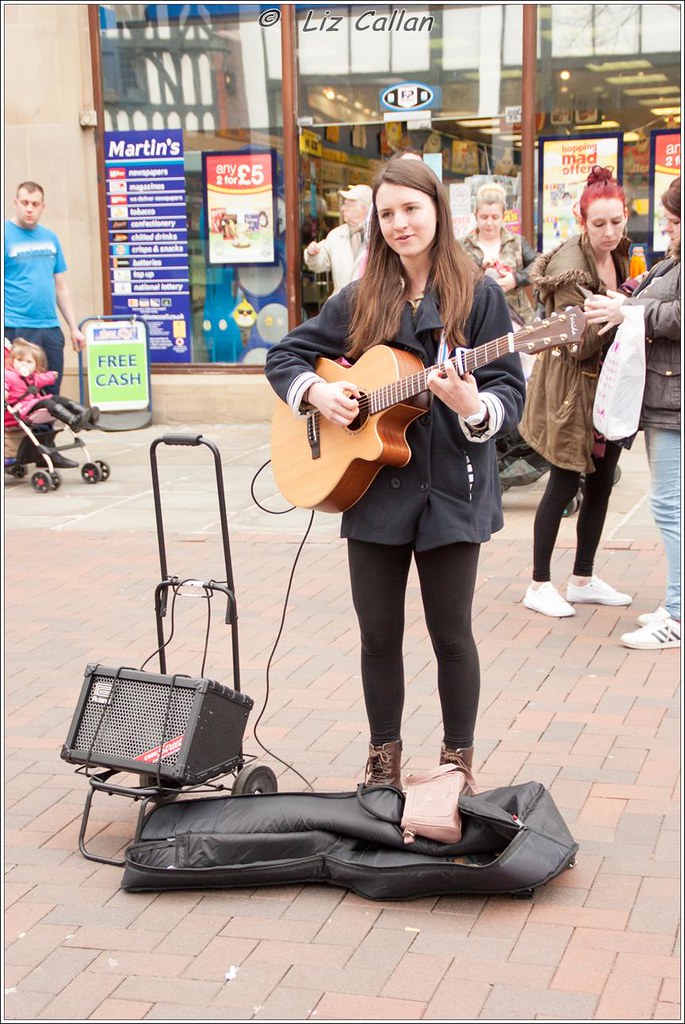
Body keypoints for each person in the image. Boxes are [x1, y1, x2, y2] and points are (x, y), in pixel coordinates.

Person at [266, 159, 526, 787]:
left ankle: (456, 761)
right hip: (375, 489)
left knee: (451, 634)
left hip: (452, 491)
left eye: (410, 208)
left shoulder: (481, 295)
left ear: (437, 208)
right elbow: (285, 355)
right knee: (377, 634)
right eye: (387, 214)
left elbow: (507, 396)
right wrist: (316, 395)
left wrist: (473, 407)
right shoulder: (360, 298)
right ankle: (384, 758)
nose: (400, 223)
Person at [519, 166, 632, 618]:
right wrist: (623, 310)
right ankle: (538, 583)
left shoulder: (621, 252)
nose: (609, 232)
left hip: (606, 388)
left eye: (616, 222)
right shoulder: (569, 268)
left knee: (601, 483)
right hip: (569, 390)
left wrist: (623, 306)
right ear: (581, 220)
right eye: (599, 223)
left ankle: (582, 578)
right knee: (564, 483)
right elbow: (579, 341)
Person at [584, 176, 681, 650]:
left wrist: (632, 313)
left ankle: (679, 614)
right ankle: (676, 603)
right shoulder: (672, 261)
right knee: (670, 506)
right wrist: (630, 305)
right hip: (665, 396)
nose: (666, 229)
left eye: (672, 221)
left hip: (673, 400)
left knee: (669, 507)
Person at [4, 181, 86, 394]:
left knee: (51, 389)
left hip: (49, 327)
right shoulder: (5, 234)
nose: (29, 208)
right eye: (24, 202)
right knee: (22, 392)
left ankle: (48, 427)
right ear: (15, 203)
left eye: (35, 204)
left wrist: (74, 328)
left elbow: (60, 286)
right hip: (16, 326)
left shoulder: (50, 238)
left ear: (43, 206)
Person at [460, 181, 538, 326]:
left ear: (503, 215)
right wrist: (480, 265)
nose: (489, 223)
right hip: (475, 317)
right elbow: (454, 273)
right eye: (484, 217)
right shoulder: (462, 245)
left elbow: (538, 264)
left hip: (517, 316)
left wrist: (515, 279)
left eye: (495, 217)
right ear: (475, 215)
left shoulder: (516, 241)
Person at [5, 338, 99, 433]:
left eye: (29, 362)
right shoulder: (9, 375)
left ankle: (84, 412)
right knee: (47, 402)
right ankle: (72, 420)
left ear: (35, 366)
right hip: (19, 409)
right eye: (20, 360)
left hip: (31, 404)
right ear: (12, 361)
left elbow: (42, 379)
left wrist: (51, 376)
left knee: (57, 398)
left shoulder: (32, 377)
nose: (24, 364)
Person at [303, 184, 372, 295]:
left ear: (363, 209)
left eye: (347, 205)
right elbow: (320, 264)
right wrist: (312, 254)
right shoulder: (335, 235)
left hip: (370, 307)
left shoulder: (380, 236)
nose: (342, 208)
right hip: (340, 307)